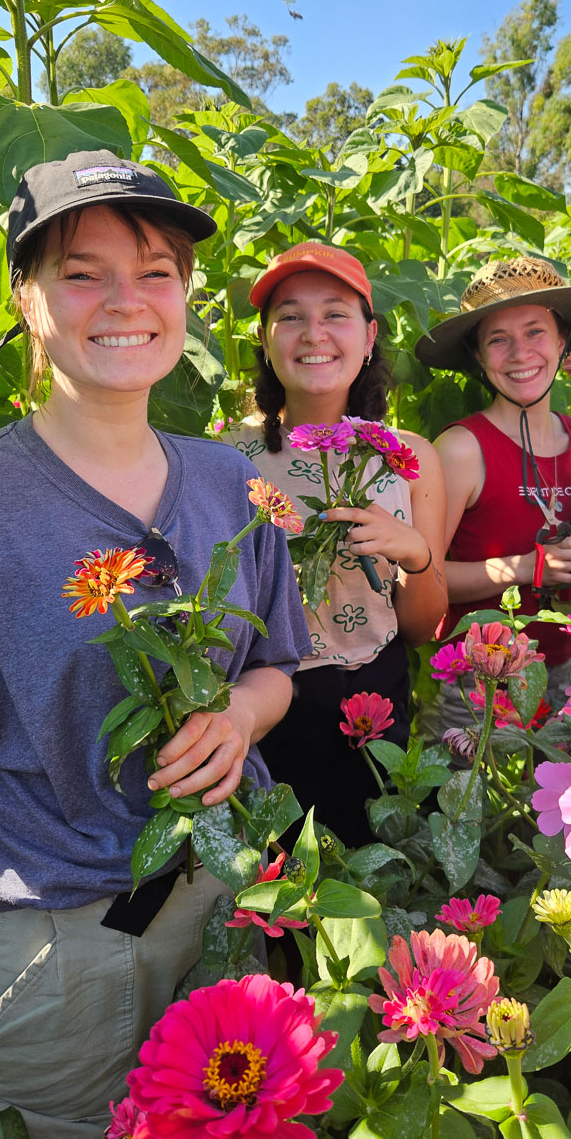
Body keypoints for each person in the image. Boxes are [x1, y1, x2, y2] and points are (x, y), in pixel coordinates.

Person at [0, 150, 310, 1139]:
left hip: (223, 917)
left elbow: (278, 666)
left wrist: (242, 717)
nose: (127, 298)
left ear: (188, 295)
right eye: (82, 272)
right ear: (29, 299)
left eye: (158, 268)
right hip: (56, 959)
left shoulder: (229, 480)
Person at [223, 243, 447, 844]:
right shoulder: (224, 455)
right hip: (263, 701)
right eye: (290, 316)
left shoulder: (411, 457)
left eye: (335, 314)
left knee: (368, 884)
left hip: (373, 694)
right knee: (270, 887)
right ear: (266, 342)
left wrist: (415, 555)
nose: (312, 333)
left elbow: (425, 627)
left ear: (370, 336)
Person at [415, 255, 571, 723]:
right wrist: (526, 568)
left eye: (535, 332)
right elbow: (423, 584)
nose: (519, 353)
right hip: (481, 685)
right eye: (497, 340)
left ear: (563, 340)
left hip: (570, 667)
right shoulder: (462, 449)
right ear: (477, 356)